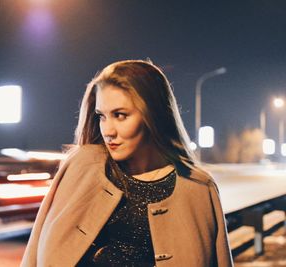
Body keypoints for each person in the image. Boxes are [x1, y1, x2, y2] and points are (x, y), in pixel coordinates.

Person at [20, 59, 234, 267]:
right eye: (102, 116)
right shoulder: (83, 166)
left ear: (154, 115)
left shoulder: (198, 188)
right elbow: (36, 249)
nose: (108, 131)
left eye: (120, 115)